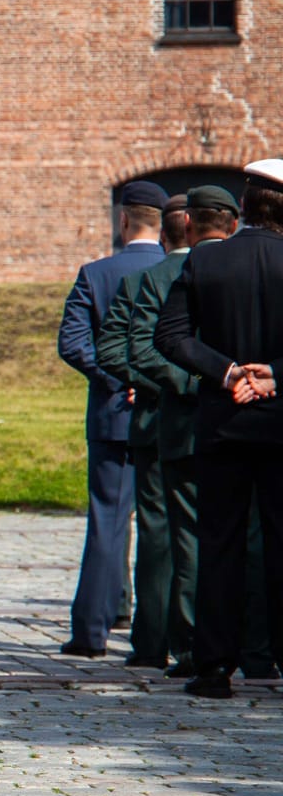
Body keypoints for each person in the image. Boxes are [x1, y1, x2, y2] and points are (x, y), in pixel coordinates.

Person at [156, 158, 283, 699]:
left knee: (220, 543)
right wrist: (273, 374)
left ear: (245, 208)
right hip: (280, 422)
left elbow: (172, 337)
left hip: (222, 418)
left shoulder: (206, 262)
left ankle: (213, 666)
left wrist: (228, 371)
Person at [121, 186, 238, 676]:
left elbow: (144, 347)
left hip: (213, 417)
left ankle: (202, 644)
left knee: (192, 537)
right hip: (225, 412)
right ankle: (214, 643)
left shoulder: (186, 272)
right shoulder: (161, 276)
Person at [57, 179, 167, 657]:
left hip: (112, 412)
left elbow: (73, 343)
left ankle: (91, 631)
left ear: (123, 220)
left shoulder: (96, 273)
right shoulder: (176, 271)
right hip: (166, 413)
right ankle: (159, 632)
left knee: (107, 521)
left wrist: (110, 377)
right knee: (165, 525)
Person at [95, 195, 190, 670]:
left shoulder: (142, 281)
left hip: (154, 417)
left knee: (156, 533)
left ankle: (151, 641)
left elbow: (114, 352)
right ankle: (199, 640)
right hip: (215, 418)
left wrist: (152, 384)